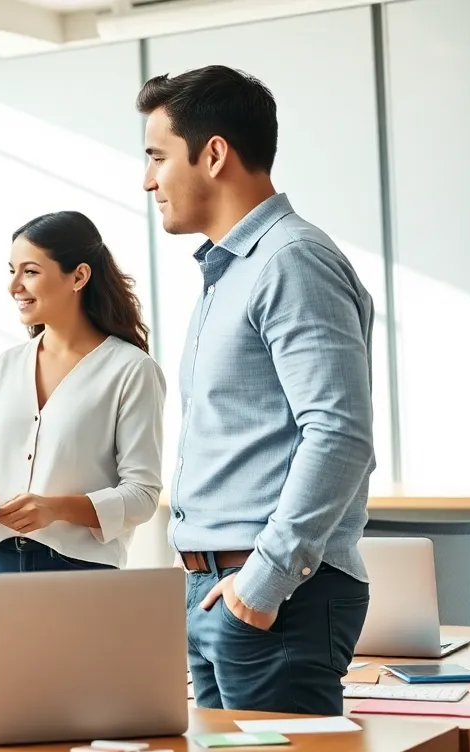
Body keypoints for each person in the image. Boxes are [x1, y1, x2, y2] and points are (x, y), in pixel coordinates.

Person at [138, 65, 375, 715]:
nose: (148, 180)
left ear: (213, 154)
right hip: (218, 590)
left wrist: (262, 584)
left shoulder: (289, 261)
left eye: (157, 157)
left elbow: (339, 434)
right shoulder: (231, 271)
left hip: (272, 598)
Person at [0, 211, 166, 574]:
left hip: (80, 568)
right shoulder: (6, 366)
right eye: (12, 271)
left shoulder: (131, 370)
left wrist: (56, 508)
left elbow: (142, 494)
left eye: (30, 271)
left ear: (78, 276)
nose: (14, 286)